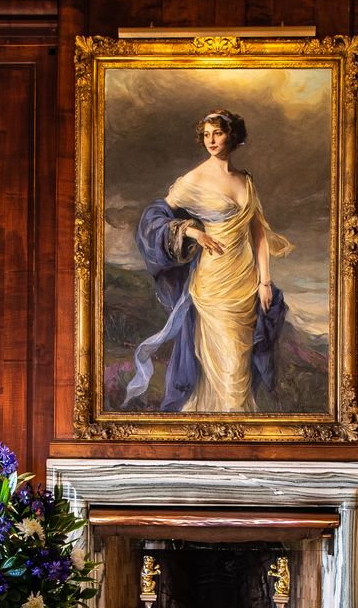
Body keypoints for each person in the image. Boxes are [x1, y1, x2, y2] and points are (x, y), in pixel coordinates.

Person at [125, 110, 293, 412]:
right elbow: (153, 218)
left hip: (245, 281)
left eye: (217, 132)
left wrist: (264, 282)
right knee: (225, 364)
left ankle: (232, 428)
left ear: (232, 135)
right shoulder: (195, 179)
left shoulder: (245, 181)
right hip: (213, 284)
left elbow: (258, 233)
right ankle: (226, 423)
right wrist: (191, 231)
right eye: (206, 134)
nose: (211, 140)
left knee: (240, 364)